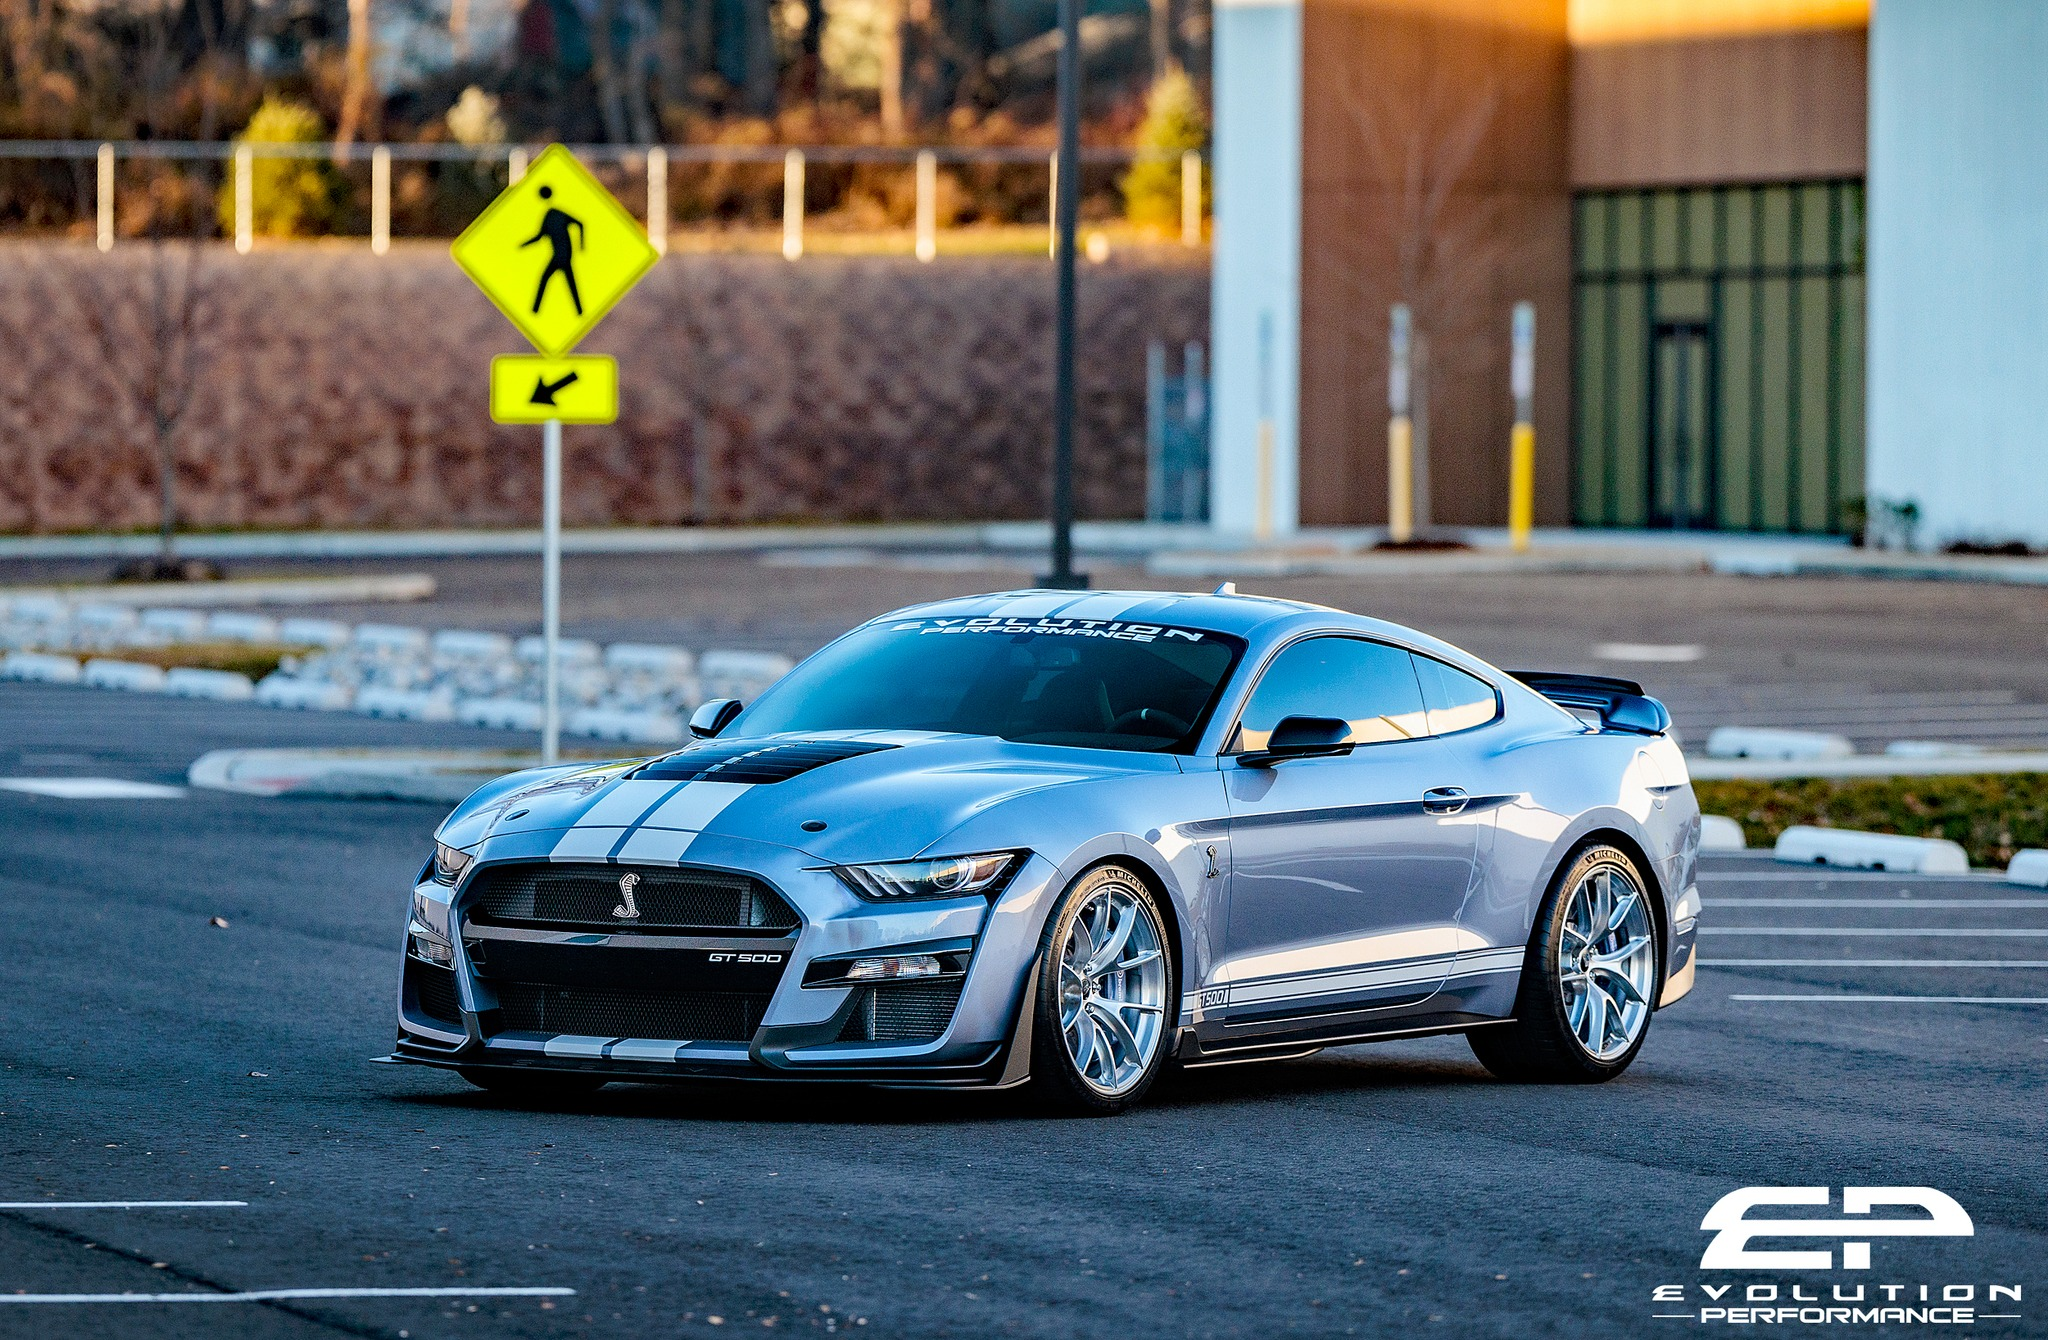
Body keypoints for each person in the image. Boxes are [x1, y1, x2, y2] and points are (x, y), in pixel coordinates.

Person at [521, 185, 585, 315]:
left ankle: (535, 310)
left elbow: (580, 223)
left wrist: (582, 245)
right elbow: (539, 237)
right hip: (560, 255)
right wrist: (523, 244)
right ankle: (579, 311)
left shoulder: (556, 214)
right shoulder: (549, 216)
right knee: (566, 283)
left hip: (563, 256)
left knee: (548, 280)